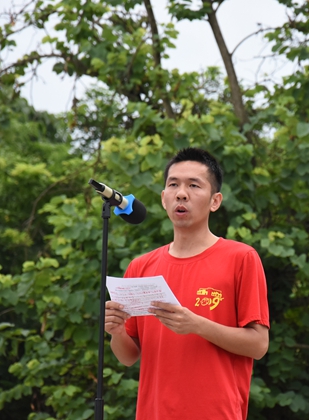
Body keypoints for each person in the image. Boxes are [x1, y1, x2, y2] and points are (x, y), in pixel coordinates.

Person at [104, 147, 270, 420]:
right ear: (163, 199)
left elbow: (259, 345)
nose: (181, 193)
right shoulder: (140, 267)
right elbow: (128, 356)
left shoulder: (241, 258)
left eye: (194, 185)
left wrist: (197, 325)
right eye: (173, 185)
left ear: (215, 201)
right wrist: (117, 331)